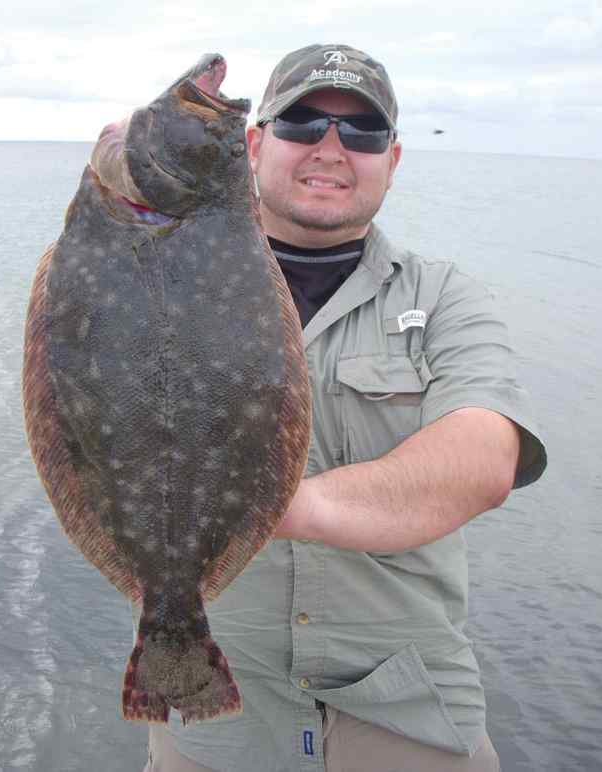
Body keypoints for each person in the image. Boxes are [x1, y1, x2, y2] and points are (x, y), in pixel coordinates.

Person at [90, 44, 547, 772]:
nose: (331, 147)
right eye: (302, 123)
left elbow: (485, 458)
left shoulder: (442, 297)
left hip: (411, 714)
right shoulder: (150, 266)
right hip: (219, 713)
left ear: (393, 159)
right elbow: (84, 369)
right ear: (253, 142)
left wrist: (254, 506)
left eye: (361, 132)